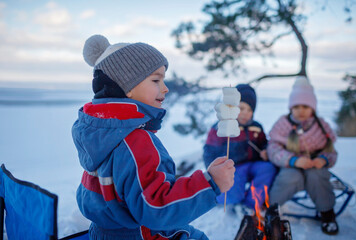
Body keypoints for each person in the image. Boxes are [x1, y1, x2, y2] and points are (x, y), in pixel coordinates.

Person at [72, 34, 235, 240]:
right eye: (156, 80)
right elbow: (155, 207)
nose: (165, 88)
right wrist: (210, 183)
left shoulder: (100, 133)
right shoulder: (135, 140)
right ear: (128, 87)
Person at [267, 76, 339, 235]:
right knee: (289, 178)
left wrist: (323, 159)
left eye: (305, 106)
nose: (301, 111)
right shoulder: (283, 124)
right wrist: (293, 160)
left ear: (312, 107)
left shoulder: (320, 125)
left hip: (314, 165)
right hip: (291, 164)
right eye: (296, 106)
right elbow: (273, 149)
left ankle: (327, 213)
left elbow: (331, 151)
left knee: (318, 176)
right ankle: (271, 209)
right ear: (290, 107)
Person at [203, 84, 277, 213]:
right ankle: (219, 197)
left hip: (253, 165)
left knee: (268, 168)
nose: (245, 113)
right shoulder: (221, 127)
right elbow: (209, 151)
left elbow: (263, 143)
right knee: (234, 194)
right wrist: (214, 172)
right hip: (232, 168)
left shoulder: (256, 127)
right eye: (241, 108)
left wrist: (265, 150)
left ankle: (251, 203)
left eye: (250, 110)